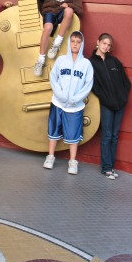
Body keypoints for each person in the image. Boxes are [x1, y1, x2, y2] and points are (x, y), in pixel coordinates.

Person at [43, 31, 94, 174]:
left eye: (78, 42)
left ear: (82, 44)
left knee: (73, 134)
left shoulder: (86, 64)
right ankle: (50, 156)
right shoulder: (60, 60)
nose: (75, 44)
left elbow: (88, 85)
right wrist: (59, 94)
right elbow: (54, 79)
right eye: (73, 41)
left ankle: (72, 161)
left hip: (75, 106)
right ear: (69, 43)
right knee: (53, 130)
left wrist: (76, 98)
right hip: (58, 103)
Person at [89, 33, 131, 180]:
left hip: (120, 104)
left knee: (114, 135)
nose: (106, 46)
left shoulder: (115, 62)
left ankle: (111, 167)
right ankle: (106, 168)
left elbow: (126, 82)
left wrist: (123, 96)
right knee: (107, 136)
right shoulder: (91, 62)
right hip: (106, 104)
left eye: (108, 45)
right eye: (104, 43)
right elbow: (92, 84)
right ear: (98, 42)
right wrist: (104, 97)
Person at [32, 0, 83, 76]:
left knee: (70, 11)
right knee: (48, 27)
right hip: (49, 12)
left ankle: (57, 43)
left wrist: (69, 5)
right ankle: (40, 60)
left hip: (61, 14)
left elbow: (80, 9)